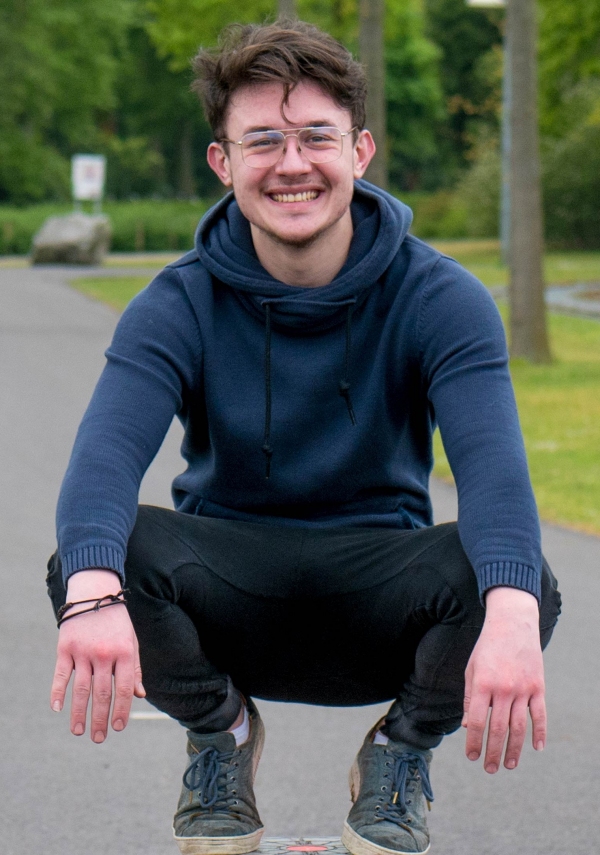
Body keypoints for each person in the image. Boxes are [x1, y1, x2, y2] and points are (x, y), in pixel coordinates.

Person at [47, 18, 561, 855]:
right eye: (263, 141)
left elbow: (495, 473)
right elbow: (102, 459)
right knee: (94, 558)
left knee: (518, 577)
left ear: (360, 151)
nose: (292, 164)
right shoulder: (176, 303)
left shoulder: (443, 298)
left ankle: (399, 754)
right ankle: (221, 734)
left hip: (381, 599)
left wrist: (511, 610)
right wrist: (93, 593)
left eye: (316, 136)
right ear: (223, 162)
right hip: (228, 596)